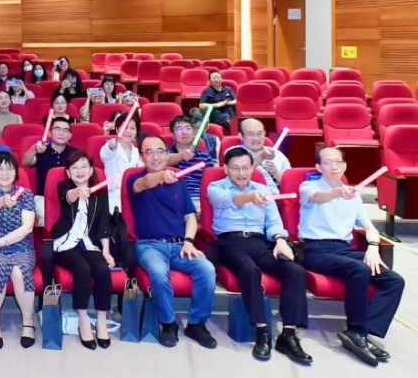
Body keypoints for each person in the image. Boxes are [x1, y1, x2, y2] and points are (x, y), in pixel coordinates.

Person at [298, 147, 405, 367]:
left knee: (395, 281)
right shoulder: (309, 186)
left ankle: (363, 332)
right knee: (359, 269)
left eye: (338, 161)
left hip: (346, 249)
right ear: (318, 167)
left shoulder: (353, 196)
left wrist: (373, 247)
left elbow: (369, 227)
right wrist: (338, 192)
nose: (334, 166)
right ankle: (356, 330)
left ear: (345, 165)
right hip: (316, 250)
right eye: (328, 162)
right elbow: (317, 198)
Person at [207, 147, 311, 362]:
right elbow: (227, 200)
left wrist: (280, 240)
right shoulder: (215, 187)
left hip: (259, 241)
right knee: (249, 270)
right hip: (230, 242)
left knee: (295, 271)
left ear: (252, 168)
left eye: (246, 168)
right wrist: (250, 197)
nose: (241, 173)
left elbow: (274, 223)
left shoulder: (263, 189)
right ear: (226, 169)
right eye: (235, 168)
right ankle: (262, 332)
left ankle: (288, 335)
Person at [127, 136, 217, 349]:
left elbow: (190, 218)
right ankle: (168, 323)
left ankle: (196, 323)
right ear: (142, 157)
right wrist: (161, 175)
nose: (155, 156)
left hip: (180, 246)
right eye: (149, 152)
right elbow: (145, 183)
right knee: (159, 273)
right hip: (150, 245)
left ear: (167, 154)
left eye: (160, 151)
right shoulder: (134, 178)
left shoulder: (179, 182)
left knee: (207, 270)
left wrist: (189, 241)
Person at [52, 151, 114, 349]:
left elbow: (104, 222)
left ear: (91, 169)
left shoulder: (100, 191)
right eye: (75, 167)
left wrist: (106, 251)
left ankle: (102, 321)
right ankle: (83, 319)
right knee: (82, 269)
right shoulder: (64, 186)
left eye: (84, 166)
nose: (80, 171)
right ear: (68, 173)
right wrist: (79, 192)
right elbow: (68, 197)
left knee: (103, 270)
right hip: (65, 243)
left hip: (89, 242)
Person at [0, 151, 37, 349]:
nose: (5, 173)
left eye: (9, 168)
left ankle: (28, 322)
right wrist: (3, 201)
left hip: (20, 246)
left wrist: (1, 242)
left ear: (16, 172)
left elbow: (27, 228)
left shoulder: (26, 194)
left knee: (20, 271)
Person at [24, 116, 77, 221]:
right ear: (49, 133)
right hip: (43, 197)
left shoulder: (76, 154)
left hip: (70, 196)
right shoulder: (41, 151)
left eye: (65, 130)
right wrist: (34, 149)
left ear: (70, 135)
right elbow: (26, 161)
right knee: (46, 218)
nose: (61, 133)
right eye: (57, 129)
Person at [166, 115, 218, 208]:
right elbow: (165, 160)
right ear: (172, 135)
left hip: (200, 199)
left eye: (188, 128)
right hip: (176, 198)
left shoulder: (205, 157)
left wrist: (204, 207)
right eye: (179, 129)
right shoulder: (165, 155)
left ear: (193, 131)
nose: (184, 132)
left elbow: (211, 183)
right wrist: (181, 155)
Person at [232, 118, 290, 194]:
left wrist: (276, 173)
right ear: (240, 136)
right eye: (250, 134)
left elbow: (290, 184)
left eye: (259, 133)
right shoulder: (233, 152)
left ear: (264, 134)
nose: (256, 138)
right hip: (248, 197)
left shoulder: (278, 155)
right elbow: (240, 170)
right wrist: (262, 155)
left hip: (275, 197)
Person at [99, 111, 142, 213]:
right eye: (124, 127)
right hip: (114, 200)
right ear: (117, 129)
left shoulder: (139, 152)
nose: (128, 131)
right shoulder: (109, 147)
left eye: (132, 128)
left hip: (135, 199)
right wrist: (112, 147)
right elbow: (106, 153)